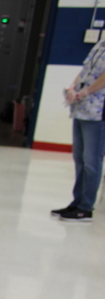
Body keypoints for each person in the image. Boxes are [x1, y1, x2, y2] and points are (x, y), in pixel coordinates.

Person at [52, 36, 105, 223]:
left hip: (97, 111)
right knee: (80, 159)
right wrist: (72, 88)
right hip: (81, 108)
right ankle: (77, 202)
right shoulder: (100, 45)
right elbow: (85, 71)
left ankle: (85, 207)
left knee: (92, 161)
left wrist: (87, 92)